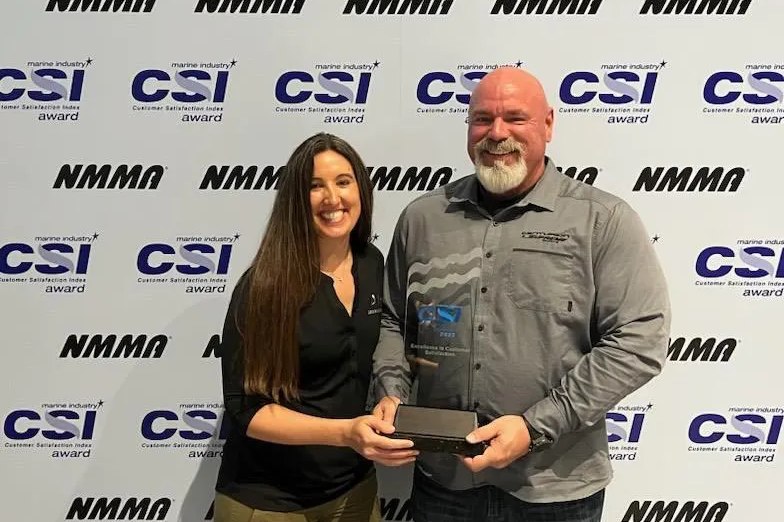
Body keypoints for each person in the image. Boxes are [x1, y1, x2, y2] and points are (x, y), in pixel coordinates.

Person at [372, 68, 671, 522]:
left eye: (515, 118)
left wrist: (534, 428)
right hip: (444, 483)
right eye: (482, 119)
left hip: (555, 492)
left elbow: (639, 340)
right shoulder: (423, 219)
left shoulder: (602, 220)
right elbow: (395, 318)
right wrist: (391, 391)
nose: (496, 133)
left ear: (548, 124)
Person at [214, 132, 417, 522]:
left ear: (361, 189)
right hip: (269, 502)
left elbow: (382, 350)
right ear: (295, 200)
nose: (332, 198)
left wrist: (392, 397)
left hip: (354, 490)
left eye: (343, 181)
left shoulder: (373, 263)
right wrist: (345, 433)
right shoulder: (265, 285)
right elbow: (246, 409)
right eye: (314, 186)